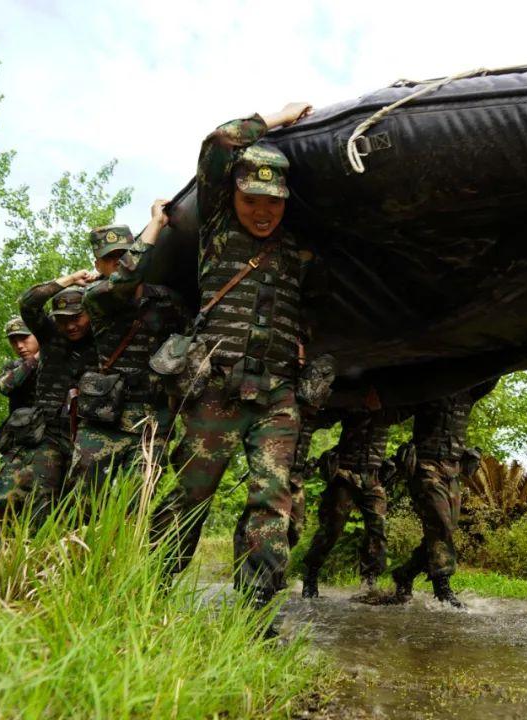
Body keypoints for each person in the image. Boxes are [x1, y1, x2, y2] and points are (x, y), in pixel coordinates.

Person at [149, 102, 313, 621]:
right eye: (251, 200)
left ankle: (258, 612)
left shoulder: (297, 248)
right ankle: (146, 593)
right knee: (188, 498)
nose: (263, 212)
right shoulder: (217, 229)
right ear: (233, 196)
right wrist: (277, 118)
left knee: (273, 502)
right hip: (215, 390)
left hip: (276, 397)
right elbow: (220, 142)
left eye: (274, 203)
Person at [71, 211, 187, 495]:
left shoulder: (167, 300)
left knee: (137, 500)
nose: (119, 262)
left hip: (151, 420)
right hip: (103, 419)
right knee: (81, 497)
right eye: (111, 258)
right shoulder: (96, 297)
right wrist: (157, 223)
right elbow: (128, 276)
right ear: (98, 264)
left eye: (125, 254)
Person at [392, 381, 496, 608]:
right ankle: (442, 585)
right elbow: (396, 411)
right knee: (441, 525)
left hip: (452, 471)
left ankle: (405, 573)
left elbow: (496, 372)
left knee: (444, 529)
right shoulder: (429, 389)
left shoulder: (470, 391)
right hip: (426, 467)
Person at [16, 272, 97, 527]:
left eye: (76, 318)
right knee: (40, 499)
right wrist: (71, 279)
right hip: (49, 432)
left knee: (82, 503)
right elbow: (28, 303)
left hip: (88, 434)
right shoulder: (50, 336)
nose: (71, 326)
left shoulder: (104, 336)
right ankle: (34, 558)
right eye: (63, 320)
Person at [302, 410, 393, 597]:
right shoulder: (355, 398)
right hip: (345, 474)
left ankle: (369, 582)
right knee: (332, 528)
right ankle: (311, 574)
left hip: (373, 478)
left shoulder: (393, 403)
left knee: (378, 529)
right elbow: (324, 417)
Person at [0, 316, 40, 528]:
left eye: (24, 338)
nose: (19, 345)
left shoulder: (60, 362)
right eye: (13, 341)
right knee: (5, 501)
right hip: (19, 446)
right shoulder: (14, 366)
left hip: (56, 443)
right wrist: (34, 360)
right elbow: (5, 386)